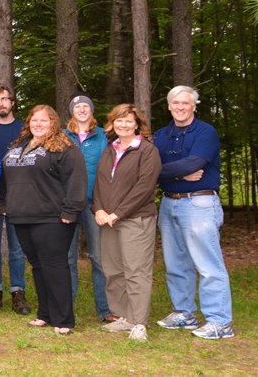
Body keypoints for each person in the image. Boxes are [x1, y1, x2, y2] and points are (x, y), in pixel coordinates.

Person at [0, 105, 87, 335]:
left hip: (53, 218)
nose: (38, 124)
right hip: (22, 217)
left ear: (53, 123)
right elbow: (5, 176)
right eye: (34, 120)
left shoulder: (65, 148)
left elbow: (76, 180)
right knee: (38, 267)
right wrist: (4, 203)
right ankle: (45, 314)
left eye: (44, 121)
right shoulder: (19, 145)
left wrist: (70, 211)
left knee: (55, 266)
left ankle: (64, 319)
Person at [153, 85, 235, 340]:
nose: (180, 107)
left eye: (185, 103)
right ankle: (184, 313)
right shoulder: (161, 135)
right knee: (176, 264)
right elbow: (149, 167)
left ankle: (220, 322)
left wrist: (165, 169)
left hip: (199, 203)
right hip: (169, 203)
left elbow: (195, 163)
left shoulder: (205, 131)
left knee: (208, 264)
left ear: (194, 106)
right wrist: (178, 172)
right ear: (168, 106)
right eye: (175, 103)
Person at [92, 104, 161, 341]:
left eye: (128, 121)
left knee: (136, 271)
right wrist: (98, 208)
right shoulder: (109, 150)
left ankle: (139, 322)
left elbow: (144, 187)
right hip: (108, 220)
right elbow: (99, 182)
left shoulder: (147, 150)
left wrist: (118, 212)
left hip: (136, 218)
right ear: (112, 123)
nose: (123, 124)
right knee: (113, 270)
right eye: (119, 120)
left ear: (137, 124)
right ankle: (123, 317)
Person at [63, 92, 114, 323]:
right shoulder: (62, 137)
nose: (82, 109)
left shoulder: (104, 136)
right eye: (77, 106)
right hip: (68, 205)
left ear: (91, 110)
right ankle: (66, 308)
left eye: (86, 106)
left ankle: (106, 310)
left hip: (96, 205)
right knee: (67, 258)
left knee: (99, 258)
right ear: (71, 111)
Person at [0, 83, 30, 315]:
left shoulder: (25, 129)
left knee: (17, 249)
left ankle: (18, 292)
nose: (1, 103)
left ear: (12, 101)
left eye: (4, 99)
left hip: (20, 197)